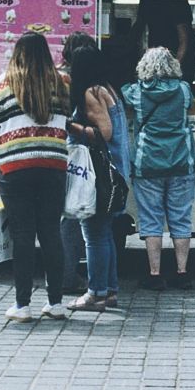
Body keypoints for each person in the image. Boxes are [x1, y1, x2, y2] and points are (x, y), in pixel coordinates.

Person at [0, 32, 71, 322]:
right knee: (50, 233)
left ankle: (22, 305)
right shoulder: (61, 84)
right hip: (53, 166)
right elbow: (69, 121)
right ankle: (56, 302)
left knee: (22, 236)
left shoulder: (3, 84)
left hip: (14, 167)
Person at [121, 47, 195, 291]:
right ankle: (182, 272)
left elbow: (122, 94)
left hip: (148, 164)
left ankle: (154, 275)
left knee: (151, 219)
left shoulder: (135, 92)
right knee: (181, 218)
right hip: (181, 161)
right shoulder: (184, 90)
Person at [66, 46, 131, 312]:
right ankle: (110, 290)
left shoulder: (90, 93)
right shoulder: (107, 88)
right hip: (111, 171)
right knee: (104, 234)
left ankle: (95, 293)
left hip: (97, 175)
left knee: (93, 234)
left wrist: (70, 126)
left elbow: (104, 132)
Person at [57, 31, 97, 295]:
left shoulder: (57, 77)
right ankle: (68, 276)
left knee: (67, 216)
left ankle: (66, 273)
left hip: (62, 152)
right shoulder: (79, 80)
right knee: (73, 217)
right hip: (77, 151)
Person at [130, 0, 195, 85]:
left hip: (178, 59)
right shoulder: (147, 0)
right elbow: (138, 29)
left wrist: (175, 67)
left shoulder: (177, 2)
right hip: (159, 57)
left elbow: (184, 40)